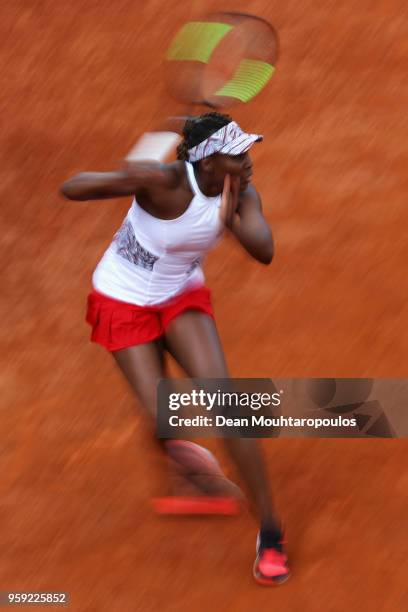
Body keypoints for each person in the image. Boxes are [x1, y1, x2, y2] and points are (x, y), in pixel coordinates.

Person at [60, 112, 290, 585]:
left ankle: (270, 531)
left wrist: (234, 223)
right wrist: (135, 169)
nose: (248, 163)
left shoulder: (243, 194)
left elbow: (265, 250)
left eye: (248, 152)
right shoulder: (161, 181)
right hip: (122, 301)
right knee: (164, 416)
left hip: (180, 296)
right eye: (238, 155)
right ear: (206, 163)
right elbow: (72, 187)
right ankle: (179, 454)